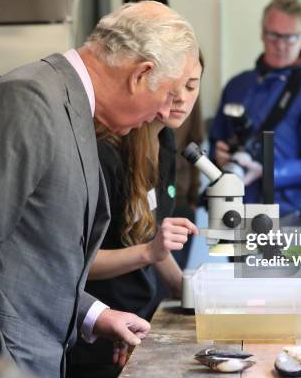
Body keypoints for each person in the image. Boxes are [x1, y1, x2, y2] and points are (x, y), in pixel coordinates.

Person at [0, 1, 199, 378]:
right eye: (168, 95)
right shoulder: (26, 101)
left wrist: (94, 314)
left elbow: (27, 260)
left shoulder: (73, 110)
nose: (165, 112)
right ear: (141, 75)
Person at [68, 53, 203, 378]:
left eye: (193, 86)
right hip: (95, 325)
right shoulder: (106, 153)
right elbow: (75, 265)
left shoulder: (166, 142)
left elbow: (148, 235)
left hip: (137, 315)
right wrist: (148, 253)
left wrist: (189, 292)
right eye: (175, 86)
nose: (182, 98)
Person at [209, 0, 301, 215]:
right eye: (273, 35)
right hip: (232, 212)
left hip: (285, 216)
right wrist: (218, 156)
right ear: (262, 33)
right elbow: (215, 142)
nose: (280, 45)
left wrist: (267, 172)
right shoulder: (237, 85)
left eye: (290, 38)